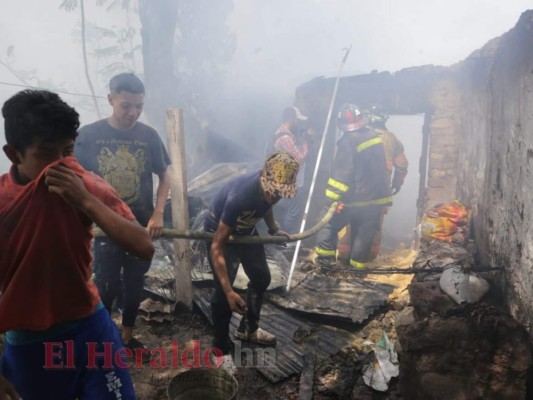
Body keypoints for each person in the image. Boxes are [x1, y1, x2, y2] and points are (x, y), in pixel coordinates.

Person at [0, 89, 155, 399]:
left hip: (90, 326)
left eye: (67, 151)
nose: (59, 164)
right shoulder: (4, 202)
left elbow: (144, 246)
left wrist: (85, 201)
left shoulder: (83, 183)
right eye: (46, 153)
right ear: (14, 154)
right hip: (29, 342)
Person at [75, 72, 171, 352]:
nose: (133, 113)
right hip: (104, 226)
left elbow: (165, 175)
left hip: (139, 226)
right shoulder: (89, 136)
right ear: (110, 99)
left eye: (139, 106)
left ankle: (127, 337)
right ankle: (103, 339)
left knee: (134, 285)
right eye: (126, 105)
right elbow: (73, 174)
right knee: (105, 286)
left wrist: (157, 213)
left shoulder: (148, 136)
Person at [204, 151, 299, 373]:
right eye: (274, 191)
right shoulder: (239, 196)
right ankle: (220, 349)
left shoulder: (270, 192)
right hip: (221, 234)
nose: (276, 196)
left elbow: (266, 206)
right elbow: (216, 246)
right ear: (263, 180)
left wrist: (274, 228)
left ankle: (248, 328)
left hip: (246, 229)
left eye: (281, 193)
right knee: (221, 296)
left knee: (261, 277)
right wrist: (229, 291)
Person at [315, 104, 392, 269]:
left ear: (341, 123)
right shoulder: (373, 135)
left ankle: (325, 263)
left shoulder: (347, 142)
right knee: (363, 234)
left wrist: (332, 200)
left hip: (356, 198)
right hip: (376, 198)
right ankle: (356, 270)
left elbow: (341, 176)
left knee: (326, 223)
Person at [337, 112, 409, 262]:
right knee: (372, 227)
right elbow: (402, 165)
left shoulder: (354, 136)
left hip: (353, 190)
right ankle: (366, 258)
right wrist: (397, 183)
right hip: (379, 192)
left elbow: (340, 165)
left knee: (348, 223)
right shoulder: (390, 138)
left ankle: (344, 256)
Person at [270, 106, 312, 234]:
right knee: (292, 211)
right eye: (297, 120)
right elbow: (298, 158)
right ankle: (286, 240)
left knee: (285, 209)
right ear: (291, 119)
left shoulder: (285, 135)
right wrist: (306, 143)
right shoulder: (285, 137)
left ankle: (280, 238)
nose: (299, 123)